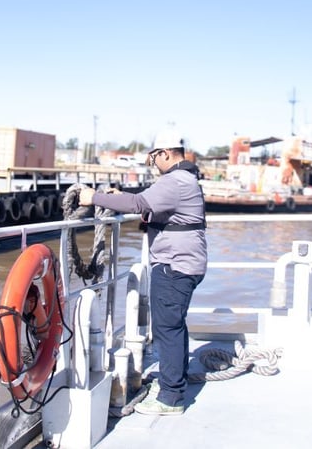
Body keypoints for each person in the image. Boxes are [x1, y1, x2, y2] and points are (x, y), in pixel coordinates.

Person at [79, 128, 207, 416]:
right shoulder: (186, 179)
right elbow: (149, 202)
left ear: (164, 154)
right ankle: (175, 381)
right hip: (184, 262)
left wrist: (94, 197)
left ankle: (171, 398)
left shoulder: (175, 181)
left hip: (176, 265)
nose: (153, 165)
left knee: (167, 328)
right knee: (174, 325)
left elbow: (139, 204)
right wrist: (120, 195)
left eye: (153, 159)